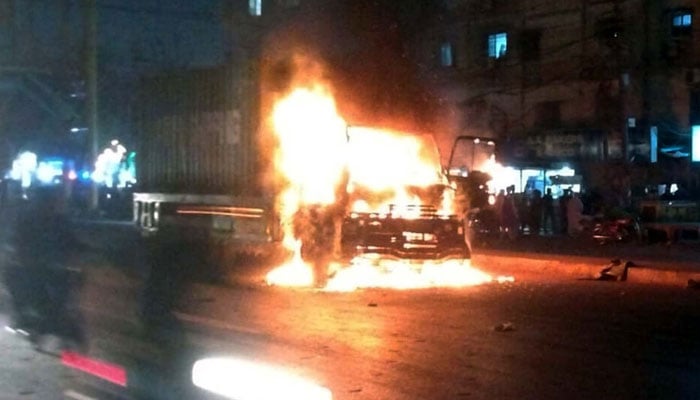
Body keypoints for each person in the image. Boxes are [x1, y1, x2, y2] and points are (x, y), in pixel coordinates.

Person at [2, 186, 84, 347]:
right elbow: (18, 241)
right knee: (28, 291)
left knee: (62, 297)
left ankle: (48, 324)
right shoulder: (29, 219)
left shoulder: (58, 221)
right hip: (34, 268)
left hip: (54, 268)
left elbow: (72, 242)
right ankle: (27, 321)